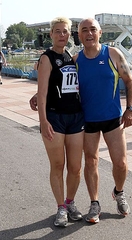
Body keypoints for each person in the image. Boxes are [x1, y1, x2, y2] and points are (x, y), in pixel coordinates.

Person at [30, 18, 132, 224]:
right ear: (79, 35)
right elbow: (57, 80)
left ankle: (119, 192)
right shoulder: (75, 60)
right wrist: (38, 96)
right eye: (84, 30)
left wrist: (130, 108)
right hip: (86, 120)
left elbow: (129, 81)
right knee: (90, 162)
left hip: (113, 118)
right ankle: (94, 202)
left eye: (92, 30)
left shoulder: (113, 54)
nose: (89, 33)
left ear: (100, 32)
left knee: (121, 163)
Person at [37, 17, 85, 227]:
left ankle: (70, 202)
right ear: (51, 34)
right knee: (58, 165)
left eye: (65, 31)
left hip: (75, 118)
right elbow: (42, 93)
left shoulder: (71, 58)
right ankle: (60, 208)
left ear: (70, 34)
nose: (61, 35)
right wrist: (43, 121)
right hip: (54, 118)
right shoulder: (46, 58)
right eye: (57, 31)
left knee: (75, 167)